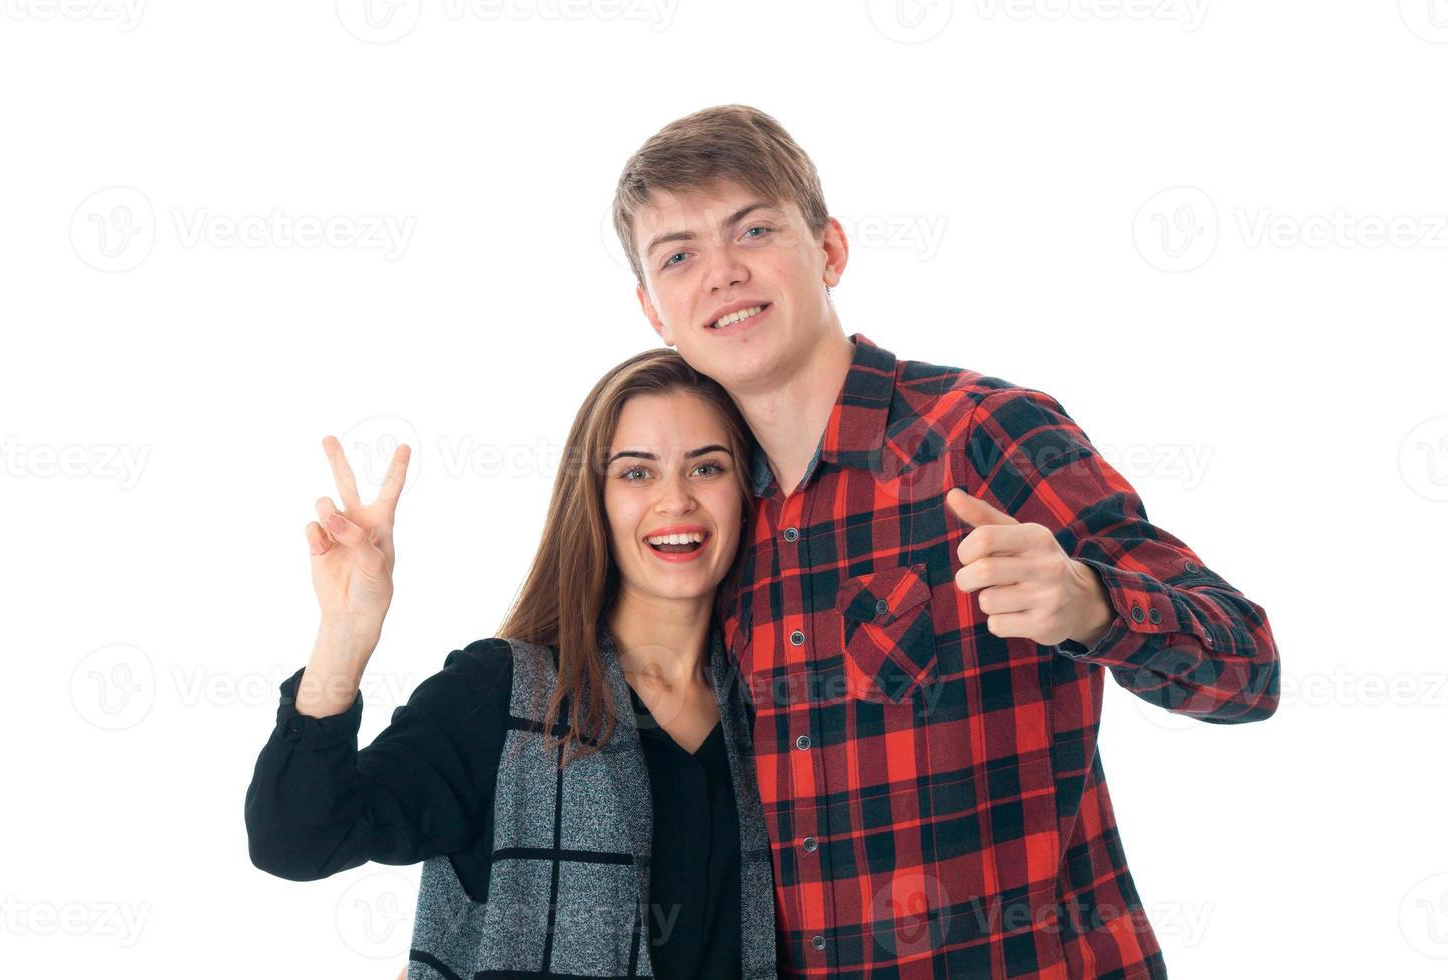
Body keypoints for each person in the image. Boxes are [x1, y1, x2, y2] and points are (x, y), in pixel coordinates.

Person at [609, 104, 1282, 977]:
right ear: (653, 308)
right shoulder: (700, 520)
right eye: (680, 254)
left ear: (830, 250)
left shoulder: (985, 435)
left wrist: (1092, 601)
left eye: (756, 229)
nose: (723, 274)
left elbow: (1247, 669)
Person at [244, 349, 779, 979]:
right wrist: (344, 634)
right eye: (637, 474)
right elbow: (296, 841)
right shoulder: (502, 693)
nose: (676, 501)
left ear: (747, 492)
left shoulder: (772, 712)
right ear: (595, 502)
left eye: (707, 468)